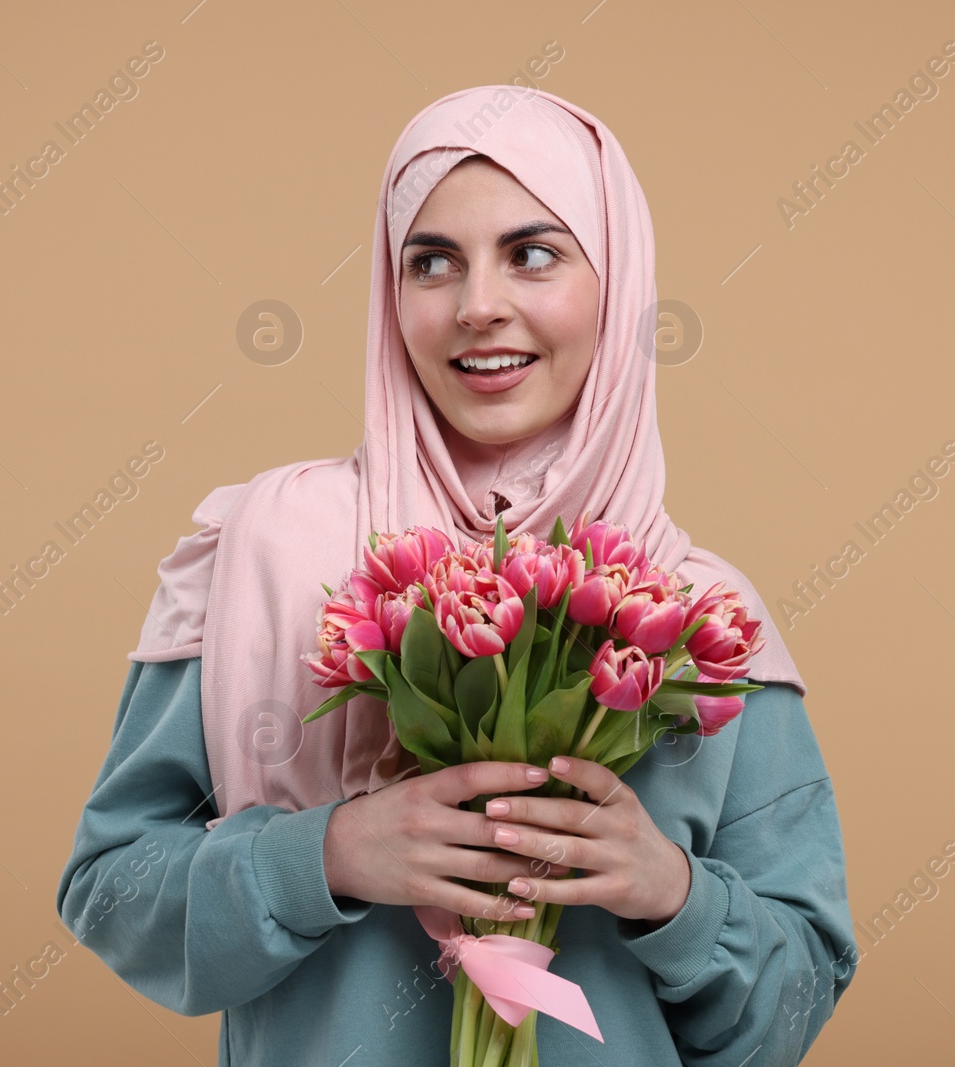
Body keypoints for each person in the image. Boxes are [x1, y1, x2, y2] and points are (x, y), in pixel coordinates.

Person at [57, 84, 858, 1065]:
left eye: (533, 254)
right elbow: (109, 889)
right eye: (431, 262)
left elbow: (792, 1007)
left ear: (617, 282)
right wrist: (329, 854)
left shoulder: (695, 618)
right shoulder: (266, 553)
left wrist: (670, 892)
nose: (478, 307)